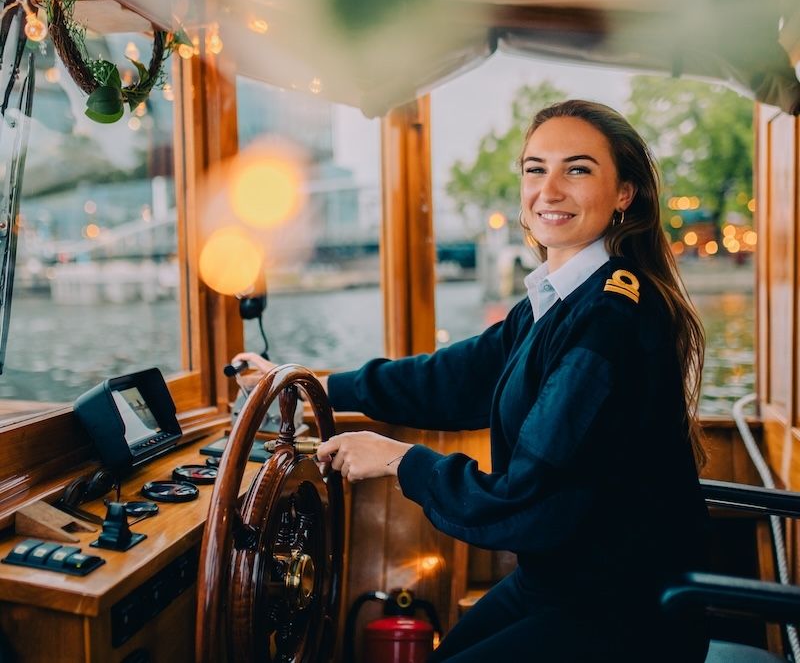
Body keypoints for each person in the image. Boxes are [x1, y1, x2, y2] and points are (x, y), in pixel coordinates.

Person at [232, 99, 710, 662]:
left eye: (577, 169)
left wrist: (397, 460)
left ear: (624, 193)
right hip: (562, 581)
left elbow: (530, 501)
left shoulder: (610, 317)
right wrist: (319, 386)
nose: (549, 190)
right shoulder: (558, 300)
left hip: (624, 609)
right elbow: (455, 378)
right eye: (536, 169)